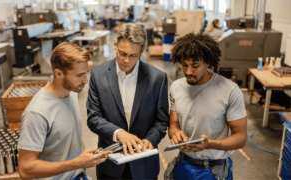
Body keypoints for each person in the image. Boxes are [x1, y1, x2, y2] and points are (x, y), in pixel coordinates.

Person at [18, 42, 113, 180]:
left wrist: (82, 159)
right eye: (79, 75)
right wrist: (76, 163)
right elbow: (25, 169)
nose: (85, 80)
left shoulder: (71, 92)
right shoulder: (37, 113)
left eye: (86, 73)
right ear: (58, 73)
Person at [86, 23, 169, 180]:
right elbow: (94, 118)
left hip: (144, 165)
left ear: (142, 51)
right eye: (122, 53)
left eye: (133, 55)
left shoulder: (157, 78)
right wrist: (119, 133)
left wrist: (149, 141)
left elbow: (161, 121)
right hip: (110, 165)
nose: (126, 60)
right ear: (115, 44)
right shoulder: (98, 74)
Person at [168, 33, 247, 180]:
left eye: (195, 66)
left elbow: (241, 138)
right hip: (184, 164)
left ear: (208, 63)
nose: (188, 71)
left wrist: (210, 144)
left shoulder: (229, 90)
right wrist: (175, 134)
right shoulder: (176, 87)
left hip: (214, 170)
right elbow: (173, 125)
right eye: (184, 65)